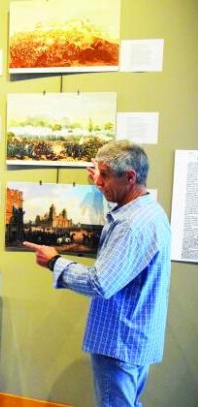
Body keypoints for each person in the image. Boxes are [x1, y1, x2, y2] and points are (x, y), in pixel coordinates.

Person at [24, 140, 171, 407]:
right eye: (98, 174)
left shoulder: (130, 226)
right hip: (136, 336)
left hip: (118, 342)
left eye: (105, 175)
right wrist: (104, 182)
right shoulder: (150, 211)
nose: (98, 182)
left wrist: (54, 262)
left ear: (130, 177)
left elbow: (99, 283)